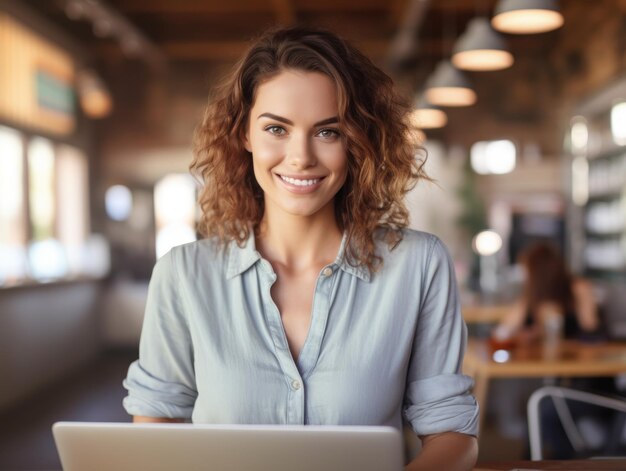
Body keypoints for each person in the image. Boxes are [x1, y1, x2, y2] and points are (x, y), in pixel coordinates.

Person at [123, 26, 478, 470]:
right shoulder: (183, 275)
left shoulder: (419, 264)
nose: (301, 156)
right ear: (245, 135)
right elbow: (157, 425)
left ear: (357, 141)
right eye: (277, 128)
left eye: (328, 132)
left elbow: (452, 432)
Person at [493, 242, 600, 344]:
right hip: (537, 359)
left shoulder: (577, 288)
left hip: (576, 358)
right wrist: (529, 335)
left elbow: (590, 330)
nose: (525, 276)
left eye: (526, 270)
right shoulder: (531, 295)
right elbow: (501, 333)